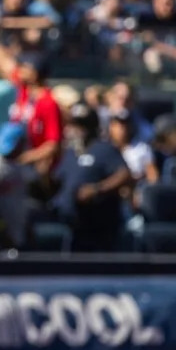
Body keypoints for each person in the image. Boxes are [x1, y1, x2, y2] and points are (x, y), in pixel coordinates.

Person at [53, 103, 132, 253]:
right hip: (71, 225)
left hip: (99, 226)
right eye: (74, 124)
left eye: (82, 125)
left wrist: (97, 189)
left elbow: (124, 174)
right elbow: (58, 180)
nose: (76, 130)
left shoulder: (104, 149)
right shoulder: (70, 152)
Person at [0, 40, 62, 172]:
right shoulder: (24, 89)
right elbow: (3, 63)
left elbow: (52, 145)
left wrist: (23, 159)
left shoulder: (48, 103)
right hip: (14, 160)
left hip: (32, 167)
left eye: (24, 67)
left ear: (35, 73)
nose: (20, 69)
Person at [108, 109, 158, 187]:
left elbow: (152, 176)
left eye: (125, 125)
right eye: (117, 125)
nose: (122, 128)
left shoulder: (142, 149)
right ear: (111, 127)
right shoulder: (105, 150)